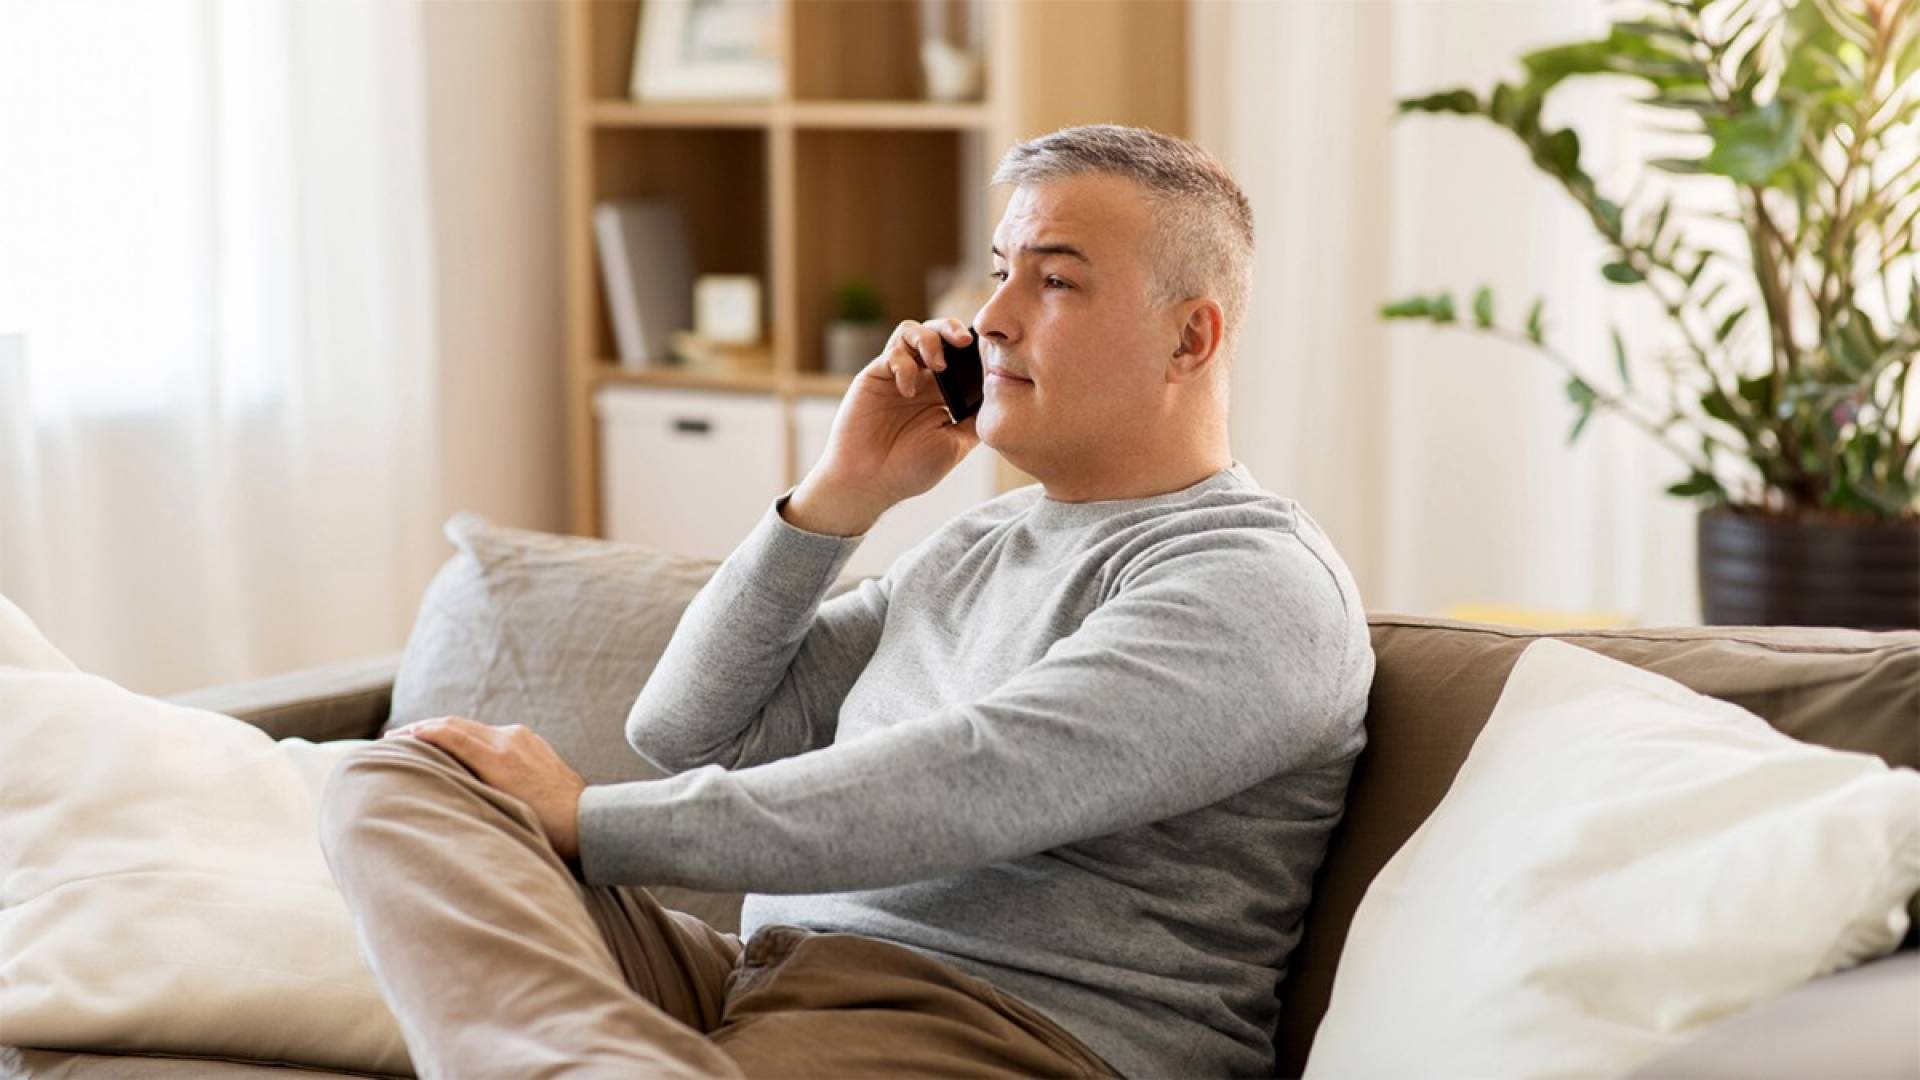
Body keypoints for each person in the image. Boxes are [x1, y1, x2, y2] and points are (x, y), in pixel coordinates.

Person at [320, 123, 1375, 1079]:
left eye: (1054, 284)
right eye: (1001, 272)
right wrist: (838, 496)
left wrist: (590, 822)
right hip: (754, 981)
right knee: (407, 778)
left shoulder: (1255, 587)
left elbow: (970, 785)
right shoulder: (976, 547)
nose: (991, 319)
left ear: (1189, 339)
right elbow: (688, 730)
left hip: (989, 1031)